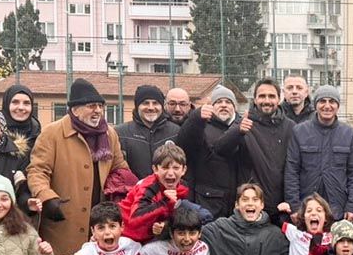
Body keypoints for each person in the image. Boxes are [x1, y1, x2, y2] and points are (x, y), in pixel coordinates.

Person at [27, 78, 129, 255]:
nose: (97, 111)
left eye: (100, 106)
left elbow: (120, 167)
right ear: (74, 109)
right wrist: (47, 197)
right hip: (64, 216)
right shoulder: (52, 133)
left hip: (100, 218)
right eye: (91, 106)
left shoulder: (109, 134)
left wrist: (123, 192)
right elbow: (37, 171)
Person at [284, 85, 353, 221]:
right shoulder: (299, 132)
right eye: (322, 101)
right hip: (307, 205)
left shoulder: (350, 134)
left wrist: (352, 206)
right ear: (316, 105)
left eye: (332, 101)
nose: (327, 106)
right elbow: (292, 171)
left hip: (338, 206)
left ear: (338, 106)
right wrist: (294, 206)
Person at [221, 79, 293, 223]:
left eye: (271, 96)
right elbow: (221, 149)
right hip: (251, 205)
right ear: (254, 99)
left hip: (280, 208)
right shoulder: (244, 123)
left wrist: (291, 200)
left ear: (279, 99)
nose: (267, 100)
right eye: (262, 96)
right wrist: (238, 131)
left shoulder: (290, 127)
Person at [176, 86, 242, 219]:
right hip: (208, 201)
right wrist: (196, 118)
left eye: (228, 102)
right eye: (219, 102)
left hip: (236, 202)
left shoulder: (243, 127)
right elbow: (184, 144)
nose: (224, 105)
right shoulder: (202, 126)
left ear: (234, 107)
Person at [116, 84, 180, 179]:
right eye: (145, 103)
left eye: (155, 103)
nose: (151, 107)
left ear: (162, 106)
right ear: (137, 106)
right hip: (133, 188)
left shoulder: (176, 132)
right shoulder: (121, 133)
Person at [1, 84, 41, 151]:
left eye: (26, 103)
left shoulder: (38, 135)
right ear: (7, 104)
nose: (21, 107)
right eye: (15, 102)